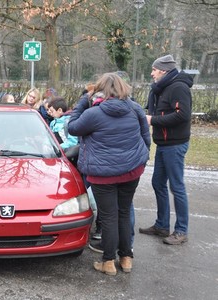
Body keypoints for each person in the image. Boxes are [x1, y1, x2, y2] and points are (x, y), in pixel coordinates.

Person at [68, 72, 151, 276]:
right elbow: (145, 138)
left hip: (102, 174)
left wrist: (82, 102)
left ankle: (108, 262)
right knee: (123, 212)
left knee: (109, 216)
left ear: (100, 90)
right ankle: (126, 258)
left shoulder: (93, 113)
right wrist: (140, 159)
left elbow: (72, 127)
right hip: (131, 171)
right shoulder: (135, 108)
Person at [139, 54, 193, 245]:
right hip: (163, 143)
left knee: (176, 187)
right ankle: (162, 226)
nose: (152, 73)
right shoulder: (162, 88)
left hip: (175, 144)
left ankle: (181, 230)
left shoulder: (178, 87)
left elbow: (183, 115)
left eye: (154, 70)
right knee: (157, 183)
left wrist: (152, 120)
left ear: (163, 70)